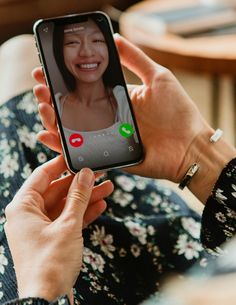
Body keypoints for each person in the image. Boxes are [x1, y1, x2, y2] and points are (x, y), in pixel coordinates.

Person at [0, 33, 235, 305]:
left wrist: (41, 284)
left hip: (59, 285)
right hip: (186, 252)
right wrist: (197, 154)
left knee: (19, 57)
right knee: (21, 54)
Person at [50, 17, 140, 169]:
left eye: (97, 40)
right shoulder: (55, 106)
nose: (86, 52)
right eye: (72, 42)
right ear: (59, 51)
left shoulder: (125, 100)